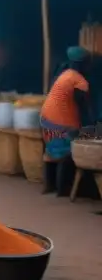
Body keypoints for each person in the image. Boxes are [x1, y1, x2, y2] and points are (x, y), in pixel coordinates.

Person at [41, 46, 94, 196]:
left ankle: (48, 186)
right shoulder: (79, 81)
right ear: (83, 64)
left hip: (47, 117)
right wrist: (91, 124)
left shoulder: (64, 74)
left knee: (51, 151)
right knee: (66, 154)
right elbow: (83, 105)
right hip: (62, 121)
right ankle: (62, 189)